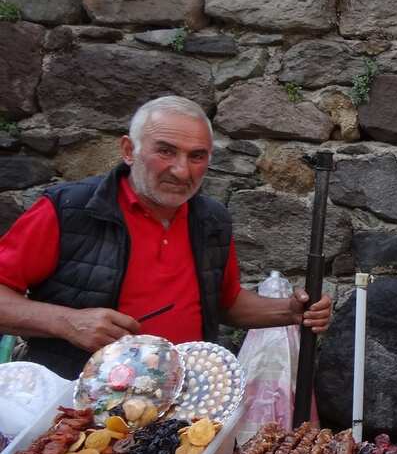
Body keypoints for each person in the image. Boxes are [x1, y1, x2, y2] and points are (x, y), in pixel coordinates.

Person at [0, 96, 332, 378]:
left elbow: (226, 302)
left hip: (184, 406)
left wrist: (290, 311)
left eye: (197, 156)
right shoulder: (69, 209)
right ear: (129, 150)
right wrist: (67, 322)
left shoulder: (211, 219)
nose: (181, 170)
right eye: (166, 151)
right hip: (78, 408)